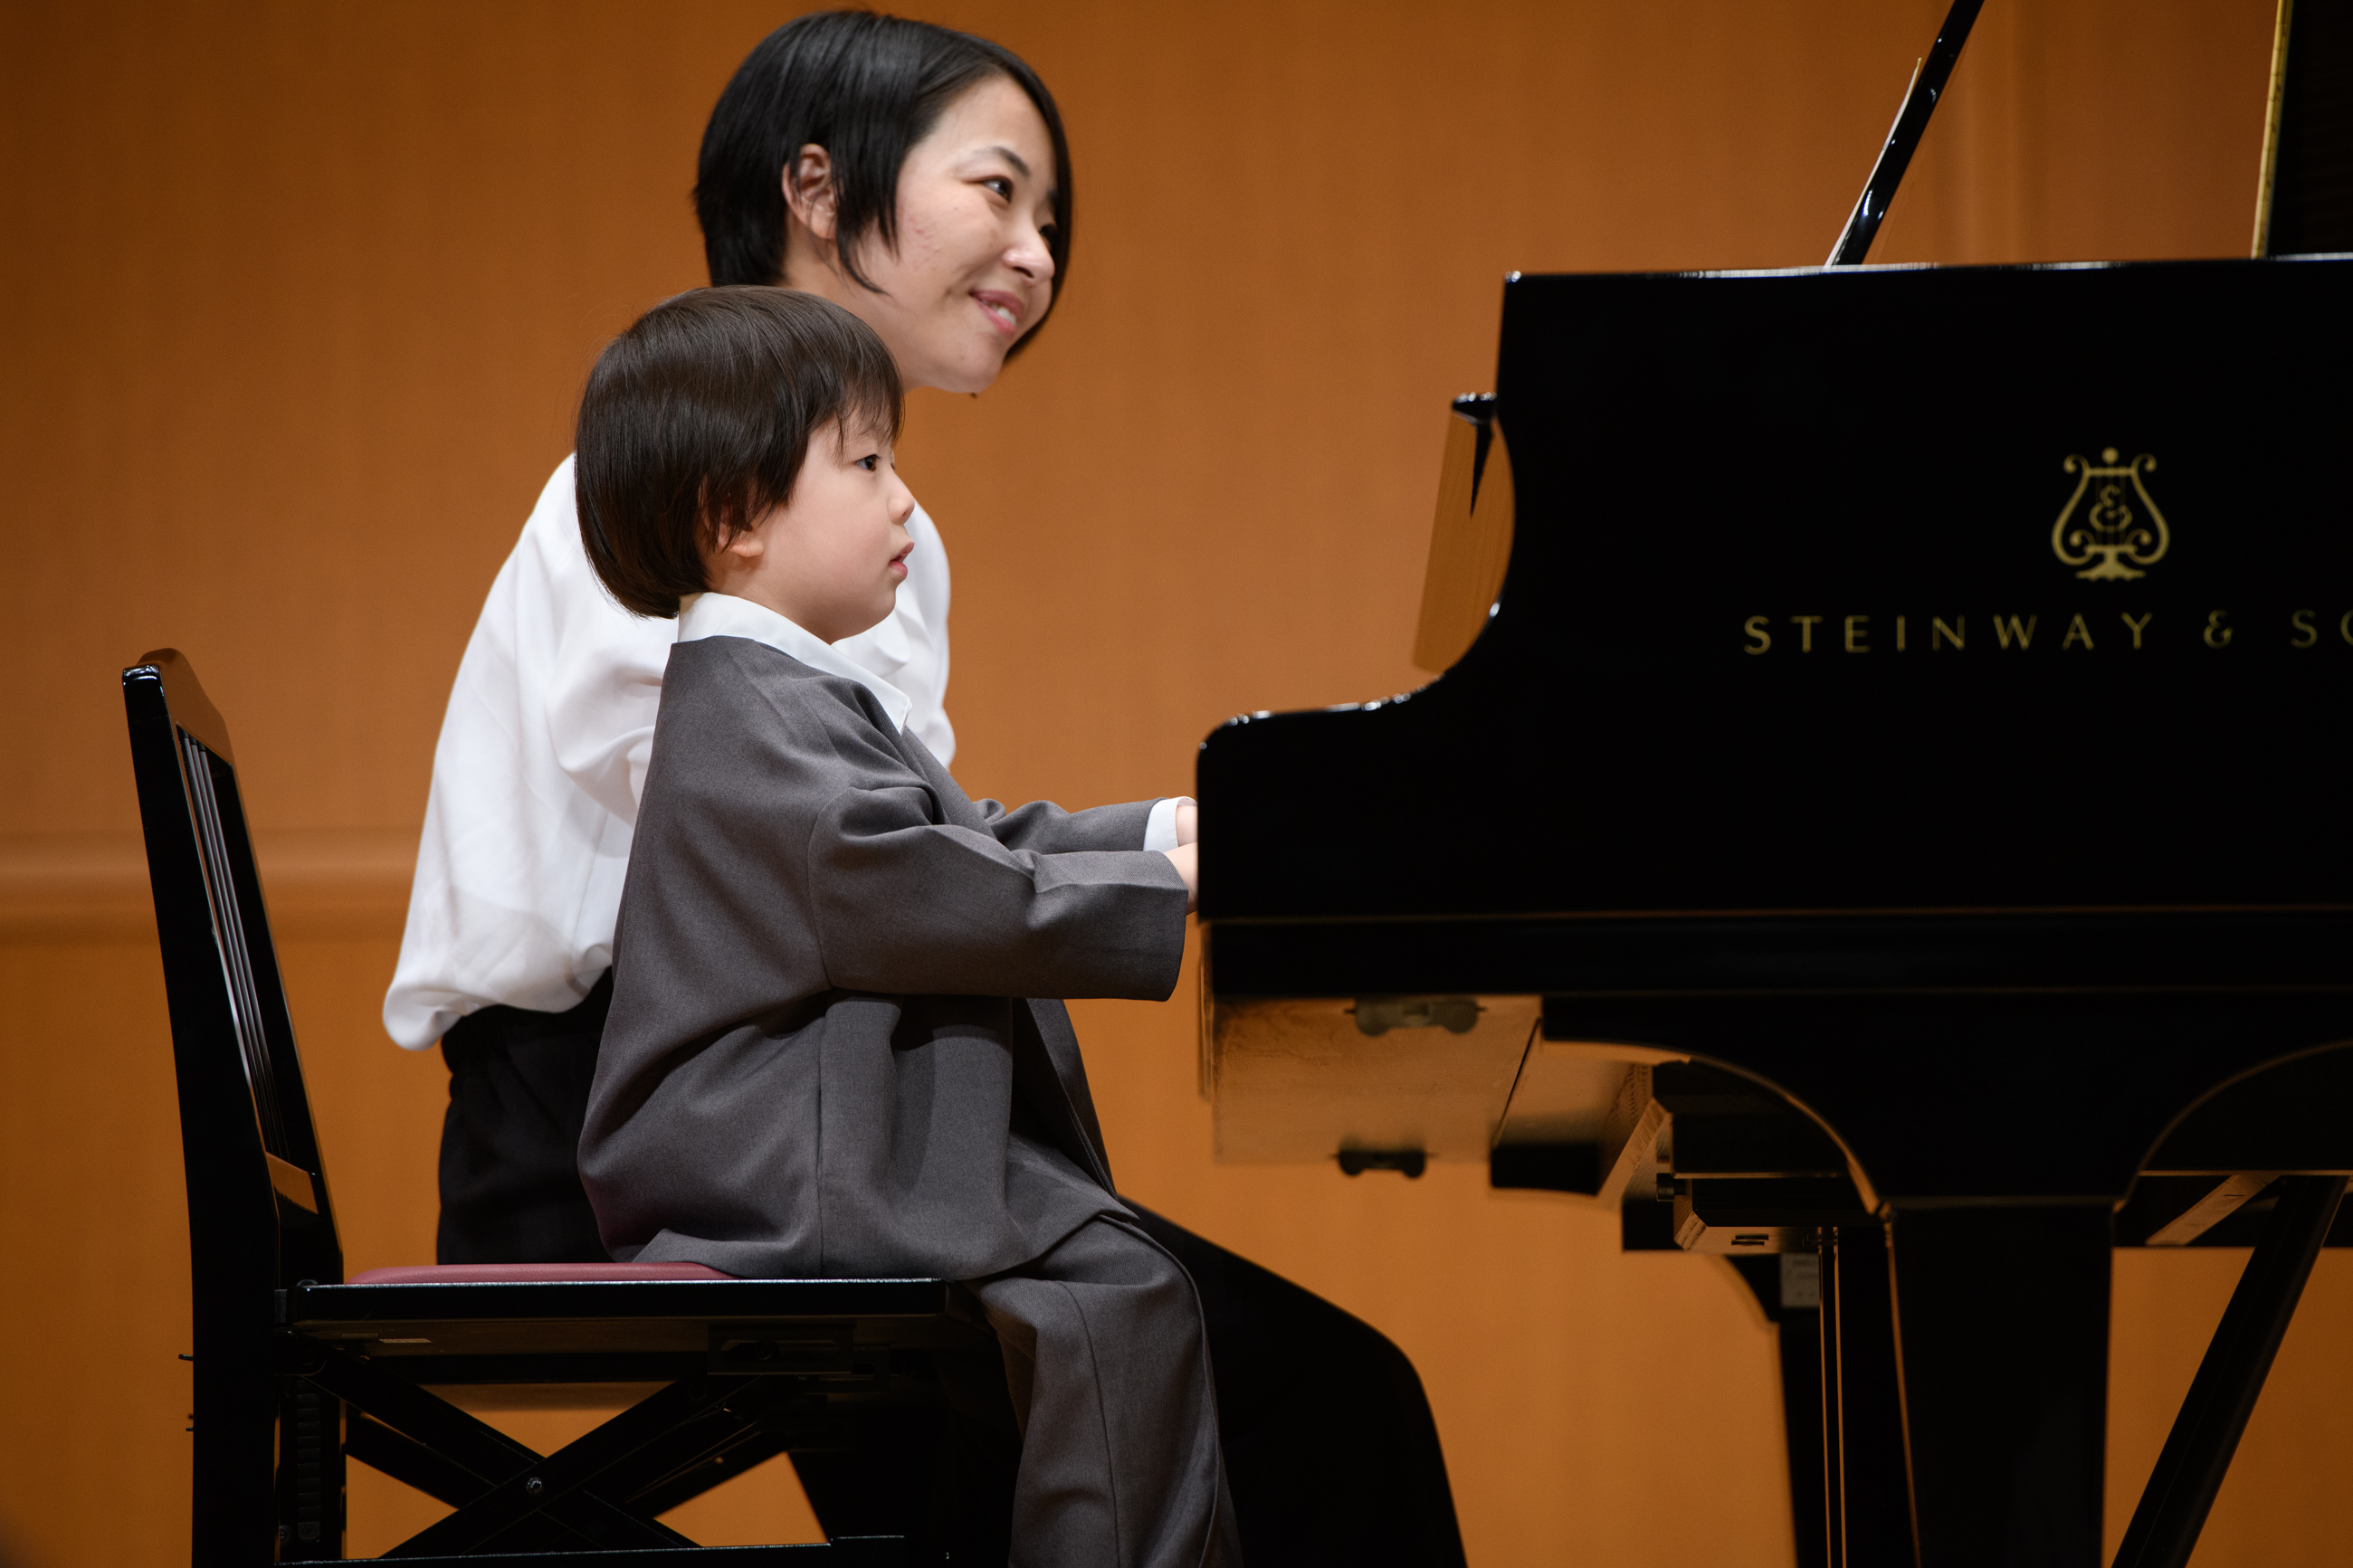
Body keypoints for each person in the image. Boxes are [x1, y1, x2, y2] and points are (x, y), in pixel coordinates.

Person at [386, 14, 1466, 1565]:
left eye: (1054, 221)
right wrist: (1154, 878)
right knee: (1298, 1396)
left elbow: (909, 834)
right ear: (820, 191)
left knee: (1238, 1379)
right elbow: (827, 865)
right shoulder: (657, 505)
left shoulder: (863, 543)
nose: (1038, 256)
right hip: (655, 1134)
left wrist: (1172, 832)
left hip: (822, 1098)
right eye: (1000, 190)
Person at [574, 283, 1233, 1566]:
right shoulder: (756, 710)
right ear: (732, 518)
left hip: (807, 1132)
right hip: (777, 1160)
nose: (906, 504)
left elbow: (968, 837)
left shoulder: (772, 691)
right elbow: (923, 885)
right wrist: (1174, 884)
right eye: (868, 463)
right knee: (1119, 1289)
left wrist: (1168, 830)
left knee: (1112, 1278)